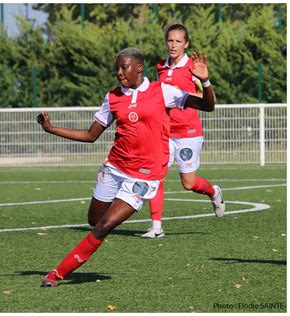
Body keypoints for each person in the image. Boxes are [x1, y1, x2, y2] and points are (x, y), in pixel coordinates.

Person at [37, 47, 216, 287]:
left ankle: (57, 273)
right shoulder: (112, 97)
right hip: (114, 168)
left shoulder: (162, 91)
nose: (119, 72)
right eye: (117, 68)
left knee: (104, 226)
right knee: (94, 219)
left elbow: (207, 105)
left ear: (139, 67)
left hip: (144, 176)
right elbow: (91, 136)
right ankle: (110, 211)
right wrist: (52, 129)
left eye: (125, 67)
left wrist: (204, 82)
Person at [142, 24, 225, 239]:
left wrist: (185, 90)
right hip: (164, 132)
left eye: (178, 41)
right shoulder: (160, 66)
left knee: (188, 183)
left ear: (186, 44)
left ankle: (214, 192)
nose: (173, 45)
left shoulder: (193, 66)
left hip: (188, 132)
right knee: (155, 176)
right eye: (170, 40)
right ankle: (156, 227)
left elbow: (207, 100)